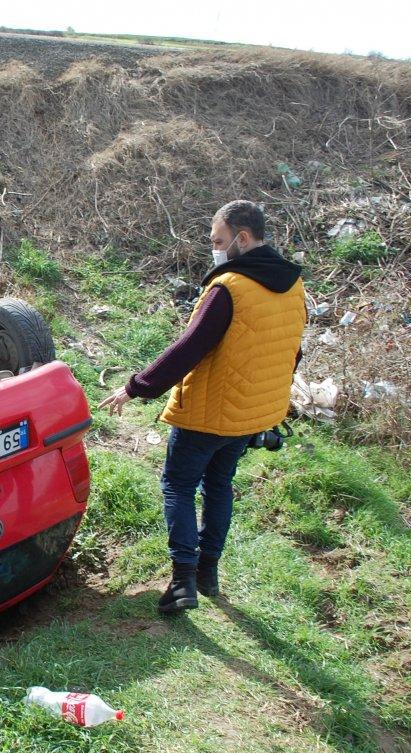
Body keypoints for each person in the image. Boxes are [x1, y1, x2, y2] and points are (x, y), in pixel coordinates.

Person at [97, 200, 305, 614]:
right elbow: (291, 354)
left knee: (178, 486)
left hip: (208, 415)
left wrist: (135, 387)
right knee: (219, 485)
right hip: (250, 416)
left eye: (218, 241)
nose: (214, 249)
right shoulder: (293, 286)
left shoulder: (229, 288)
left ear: (241, 239)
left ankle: (183, 582)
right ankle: (208, 573)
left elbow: (189, 347)